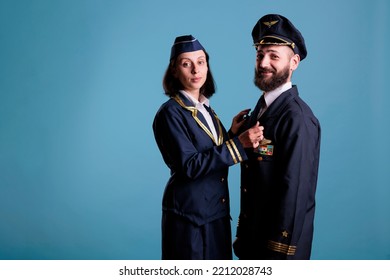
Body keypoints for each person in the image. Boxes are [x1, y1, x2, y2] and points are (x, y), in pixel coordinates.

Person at [153, 35, 264, 259]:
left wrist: (232, 133)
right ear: (174, 70)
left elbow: (212, 153)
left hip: (216, 214)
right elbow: (190, 166)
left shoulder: (205, 108)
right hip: (189, 217)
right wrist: (238, 144)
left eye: (201, 62)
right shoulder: (169, 113)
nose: (196, 70)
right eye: (187, 64)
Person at [232, 14, 321, 260]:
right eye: (260, 55)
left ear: (294, 62)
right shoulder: (258, 112)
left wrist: (277, 254)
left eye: (274, 56)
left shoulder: (297, 118)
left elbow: (294, 191)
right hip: (253, 243)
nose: (263, 63)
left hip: (278, 251)